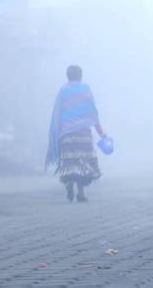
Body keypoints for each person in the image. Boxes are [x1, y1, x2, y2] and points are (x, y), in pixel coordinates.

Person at [45, 65, 107, 202]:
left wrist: (57, 133)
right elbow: (92, 111)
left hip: (66, 133)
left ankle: (69, 183)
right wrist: (100, 131)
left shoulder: (63, 90)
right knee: (82, 163)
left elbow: (58, 113)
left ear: (68, 75)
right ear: (80, 75)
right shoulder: (85, 90)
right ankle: (81, 193)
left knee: (71, 162)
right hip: (83, 132)